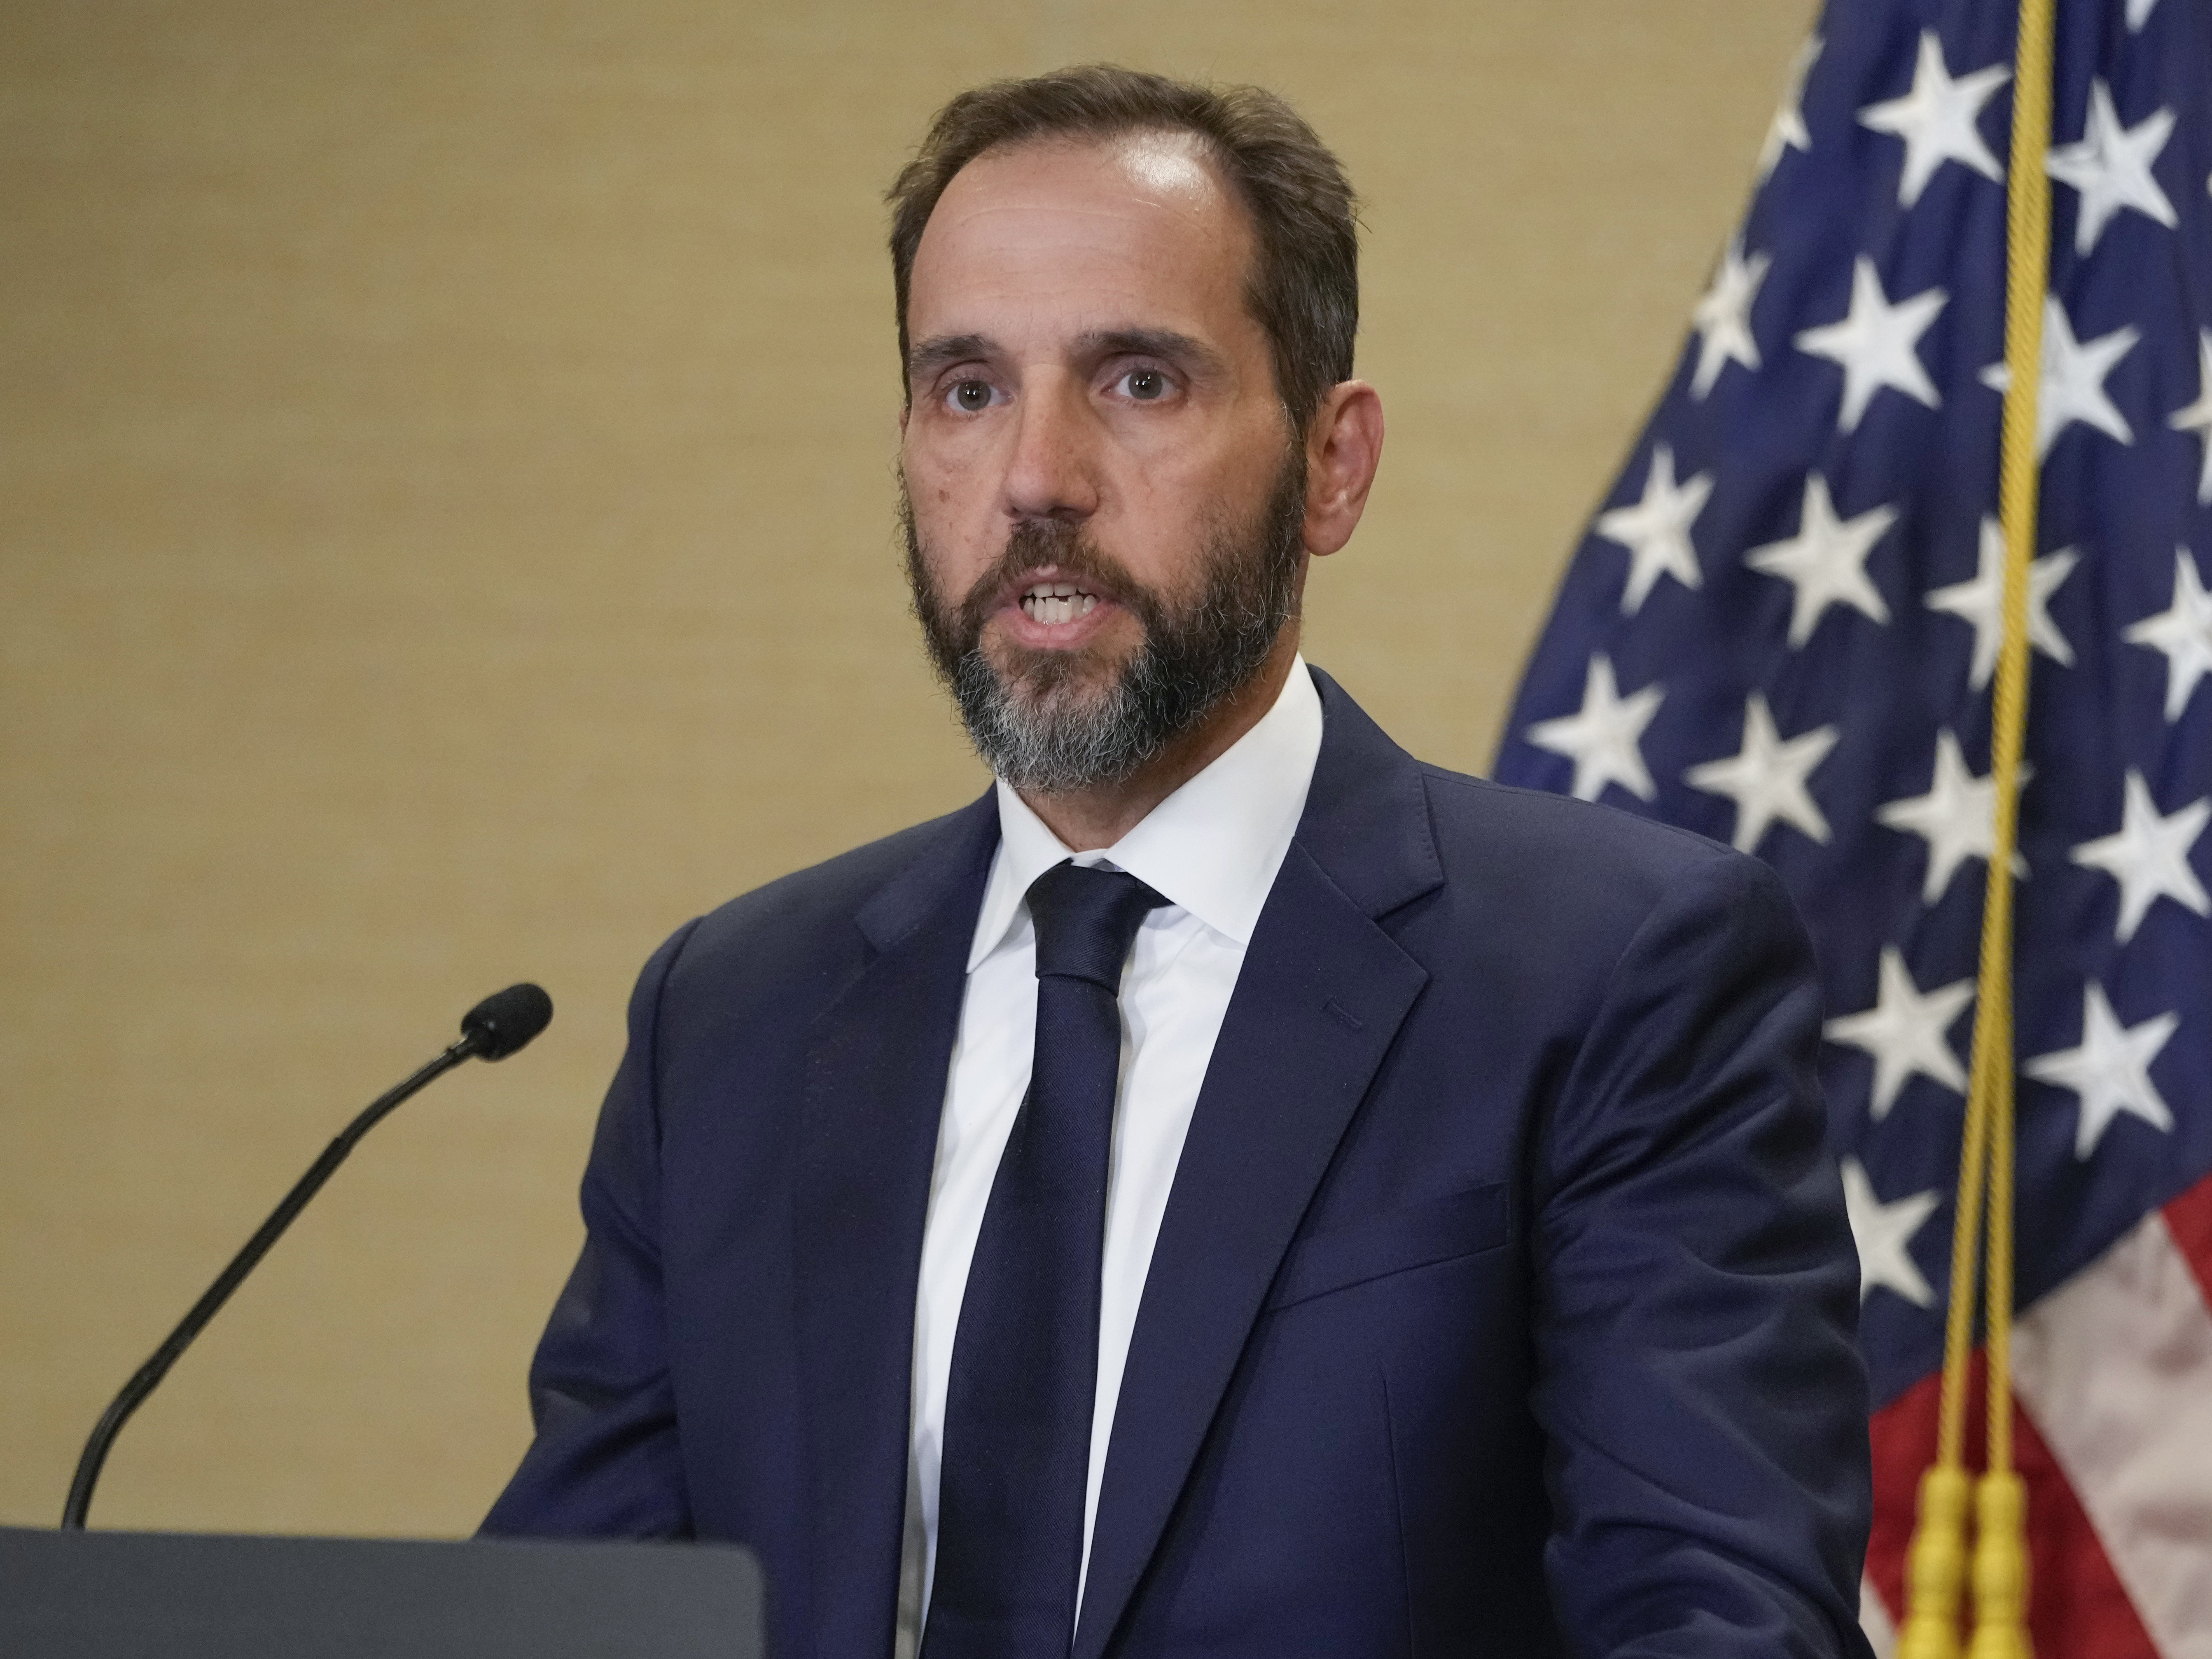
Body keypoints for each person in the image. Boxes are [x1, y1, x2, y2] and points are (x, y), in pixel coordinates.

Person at [484, 65, 1874, 1659]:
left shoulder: (1618, 973)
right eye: (966, 387)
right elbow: (581, 1612)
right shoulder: (729, 1016)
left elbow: (1716, 1619)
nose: (1035, 477)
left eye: (1137, 381)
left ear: (1330, 465)